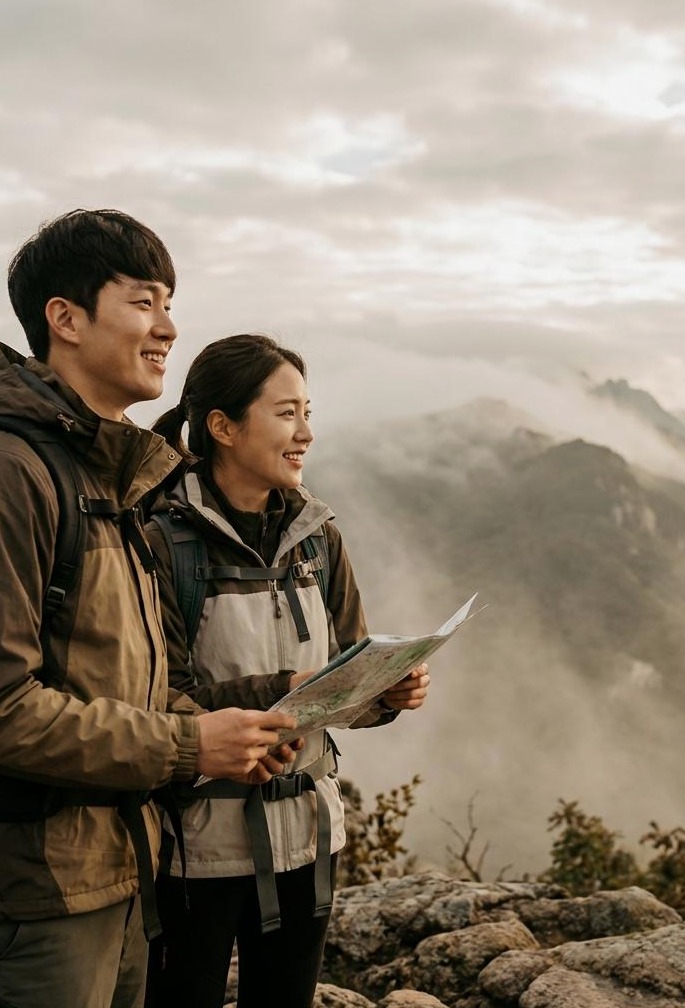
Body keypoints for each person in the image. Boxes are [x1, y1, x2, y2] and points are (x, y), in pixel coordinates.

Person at [0, 210, 299, 1008]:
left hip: (111, 880)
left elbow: (124, 689)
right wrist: (191, 746)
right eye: (144, 302)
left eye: (169, 303)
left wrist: (254, 723)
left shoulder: (107, 481)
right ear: (66, 318)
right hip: (24, 901)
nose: (168, 327)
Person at [143, 333, 430, 1008]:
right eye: (286, 413)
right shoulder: (162, 541)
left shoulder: (318, 537)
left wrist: (389, 690)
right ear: (222, 427)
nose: (306, 433)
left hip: (307, 838)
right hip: (196, 849)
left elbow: (349, 670)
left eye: (308, 412)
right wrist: (270, 705)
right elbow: (149, 697)